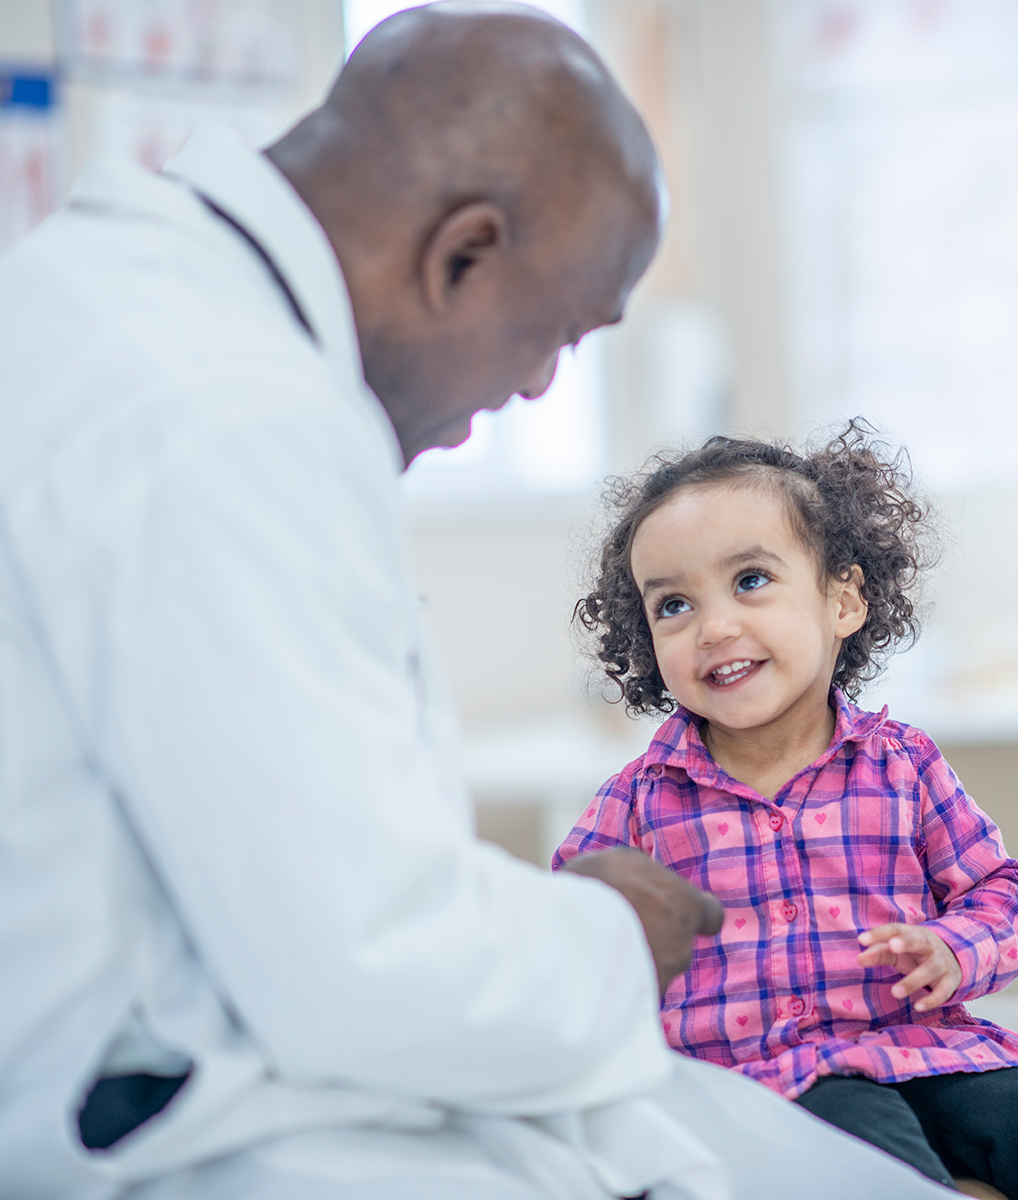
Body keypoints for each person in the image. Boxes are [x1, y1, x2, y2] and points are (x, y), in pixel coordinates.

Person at [0, 4, 954, 1199]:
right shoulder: (229, 418)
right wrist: (617, 937)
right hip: (185, 1132)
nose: (539, 382)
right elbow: (365, 968)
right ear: (462, 255)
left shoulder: (116, 295)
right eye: (555, 330)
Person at [554, 425, 1018, 1200]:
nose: (715, 626)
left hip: (925, 1050)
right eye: (673, 604)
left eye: (752, 581)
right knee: (875, 1157)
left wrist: (952, 948)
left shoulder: (902, 763)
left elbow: (998, 890)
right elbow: (566, 923)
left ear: (844, 600)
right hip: (767, 1083)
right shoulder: (638, 801)